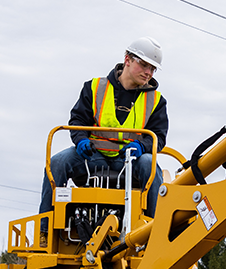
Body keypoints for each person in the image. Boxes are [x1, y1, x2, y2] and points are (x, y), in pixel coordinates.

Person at [39, 36, 168, 246]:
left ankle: (152, 234)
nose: (148, 72)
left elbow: (158, 137)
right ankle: (45, 231)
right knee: (57, 163)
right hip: (91, 157)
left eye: (153, 69)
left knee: (151, 166)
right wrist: (80, 140)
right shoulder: (94, 88)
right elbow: (78, 120)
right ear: (127, 59)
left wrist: (141, 146)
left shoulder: (156, 101)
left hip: (129, 163)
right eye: (144, 65)